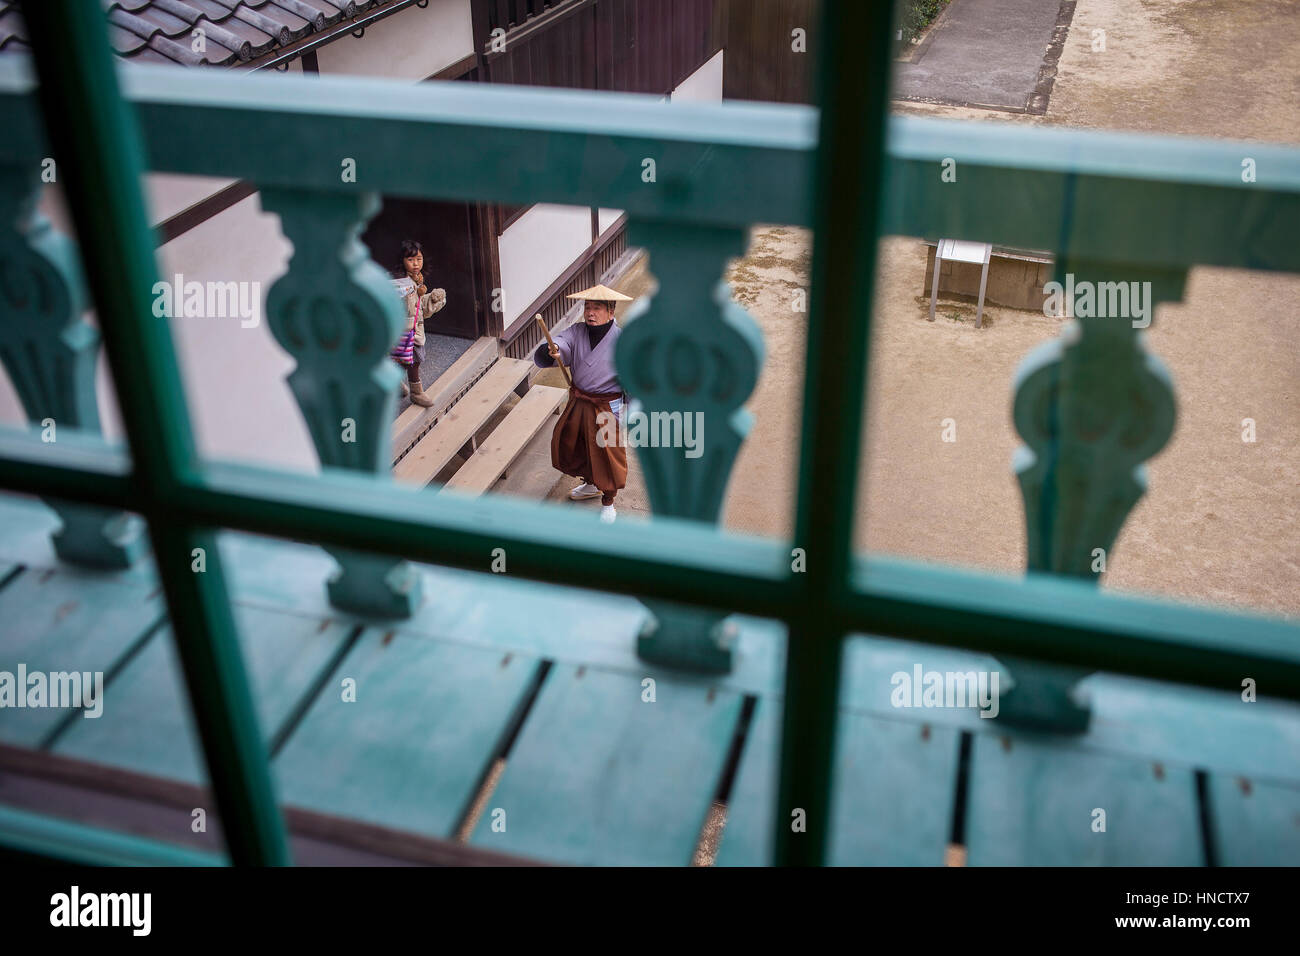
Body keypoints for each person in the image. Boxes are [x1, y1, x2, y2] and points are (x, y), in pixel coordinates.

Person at [534, 284, 632, 523]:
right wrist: (554, 349)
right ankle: (590, 484)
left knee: (608, 453)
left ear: (611, 312)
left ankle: (608, 502)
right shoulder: (577, 331)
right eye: (587, 307)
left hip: (607, 405)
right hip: (579, 400)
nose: (590, 313)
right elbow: (562, 342)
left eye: (597, 308)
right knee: (577, 444)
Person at [391, 240, 446, 408]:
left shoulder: (416, 280)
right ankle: (416, 392)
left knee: (403, 359)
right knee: (412, 361)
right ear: (402, 261)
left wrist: (433, 299)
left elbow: (420, 309)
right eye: (411, 260)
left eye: (419, 259)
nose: (416, 264)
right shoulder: (399, 285)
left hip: (414, 330)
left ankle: (394, 382)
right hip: (404, 331)